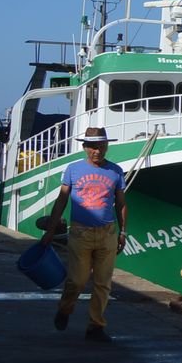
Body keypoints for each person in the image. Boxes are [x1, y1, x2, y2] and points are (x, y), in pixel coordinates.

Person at [39, 126, 127, 342]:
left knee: (103, 282)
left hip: (107, 232)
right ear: (85, 147)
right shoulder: (73, 170)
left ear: (107, 146)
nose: (98, 151)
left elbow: (121, 203)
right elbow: (62, 200)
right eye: (93, 147)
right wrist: (50, 230)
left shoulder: (116, 171)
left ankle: (95, 326)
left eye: (102, 146)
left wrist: (123, 231)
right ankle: (65, 309)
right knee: (77, 280)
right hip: (80, 232)